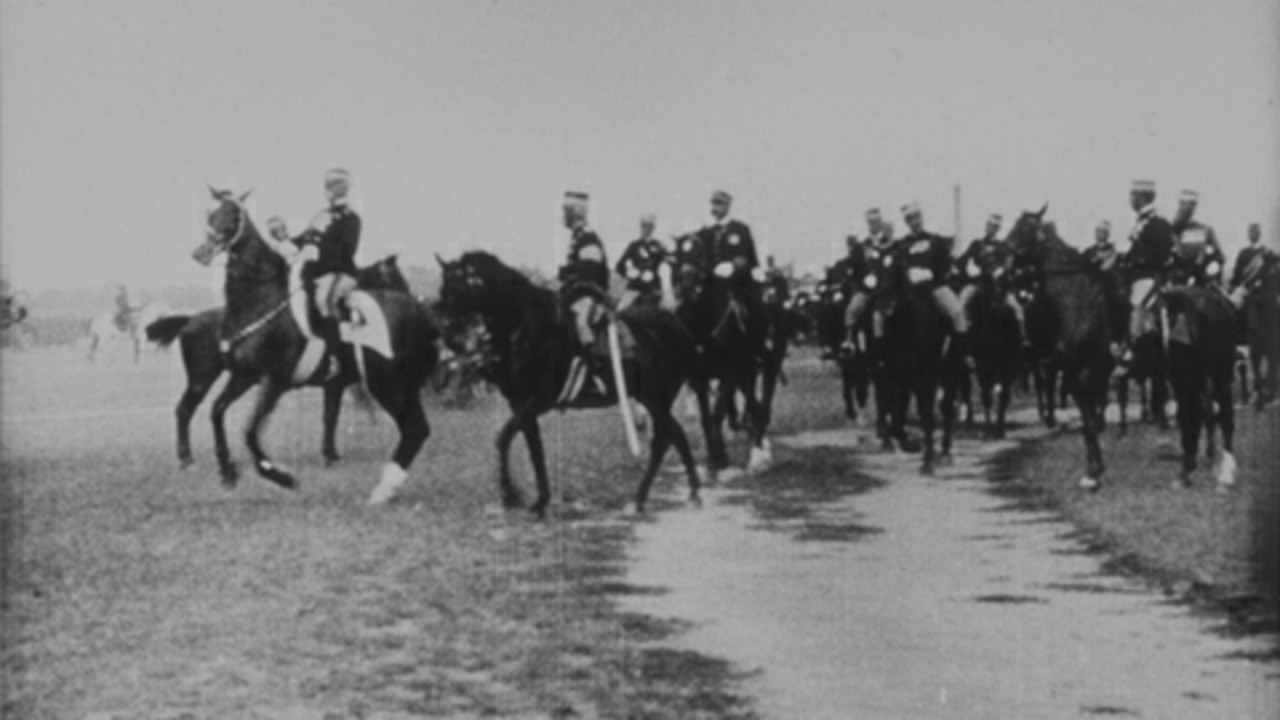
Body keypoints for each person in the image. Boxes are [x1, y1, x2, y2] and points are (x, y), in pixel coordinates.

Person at [697, 190, 767, 350]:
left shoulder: (740, 229)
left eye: (720, 204)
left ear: (728, 206)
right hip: (711, 284)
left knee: (756, 310)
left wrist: (734, 266)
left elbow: (745, 257)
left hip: (736, 285)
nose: (716, 208)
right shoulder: (706, 232)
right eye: (714, 204)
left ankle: (758, 347)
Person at [898, 201, 970, 349]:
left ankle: (961, 353)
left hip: (935, 286)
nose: (915, 221)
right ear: (906, 222)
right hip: (911, 288)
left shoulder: (935, 240)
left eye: (917, 217)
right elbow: (898, 266)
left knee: (957, 311)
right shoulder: (901, 245)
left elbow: (944, 264)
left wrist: (932, 273)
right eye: (911, 219)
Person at [297, 168, 362, 332]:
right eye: (327, 186)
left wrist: (318, 256)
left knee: (324, 300)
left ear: (341, 189)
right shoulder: (321, 215)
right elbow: (304, 238)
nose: (326, 191)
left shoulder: (350, 218)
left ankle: (335, 353)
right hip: (316, 272)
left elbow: (347, 250)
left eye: (331, 186)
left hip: (339, 272)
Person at [1122, 179, 1175, 363]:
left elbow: (1160, 252)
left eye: (1133, 195)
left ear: (1142, 197)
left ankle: (1135, 348)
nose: (1130, 199)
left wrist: (1136, 260)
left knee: (1138, 303)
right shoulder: (1140, 222)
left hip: (1149, 276)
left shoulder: (1157, 223)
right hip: (1135, 276)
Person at [956, 212, 1028, 347]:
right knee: (961, 302)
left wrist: (1001, 271)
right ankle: (961, 338)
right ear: (986, 226)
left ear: (998, 228)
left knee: (1017, 309)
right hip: (978, 283)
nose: (991, 228)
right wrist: (964, 269)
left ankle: (1023, 339)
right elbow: (963, 261)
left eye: (995, 226)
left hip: (999, 285)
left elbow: (1007, 264)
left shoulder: (1004, 246)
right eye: (990, 225)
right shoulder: (977, 244)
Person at [557, 191, 609, 353]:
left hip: (589, 295)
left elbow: (589, 276)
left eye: (567, 210)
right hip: (577, 294)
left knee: (581, 322)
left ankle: (590, 360)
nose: (564, 215)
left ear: (576, 212)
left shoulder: (587, 237)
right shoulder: (577, 237)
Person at [1084, 219, 1128, 355]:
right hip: (1091, 291)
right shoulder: (1088, 252)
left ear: (1108, 234)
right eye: (1098, 231)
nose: (1100, 234)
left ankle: (1116, 341)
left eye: (1103, 231)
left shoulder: (1116, 253)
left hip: (1110, 291)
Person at [1169, 189, 1226, 287]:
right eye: (1181, 204)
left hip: (1198, 283)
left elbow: (1218, 258)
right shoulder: (1171, 230)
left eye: (1187, 204)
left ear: (1194, 207)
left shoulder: (1205, 230)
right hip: (1175, 283)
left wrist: (1207, 273)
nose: (1183, 208)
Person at [615, 213, 670, 311]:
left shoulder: (659, 247)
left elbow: (665, 267)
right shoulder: (634, 245)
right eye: (644, 225)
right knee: (619, 311)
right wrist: (630, 272)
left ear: (653, 228)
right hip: (634, 289)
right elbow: (620, 266)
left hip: (651, 290)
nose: (646, 229)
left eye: (649, 226)